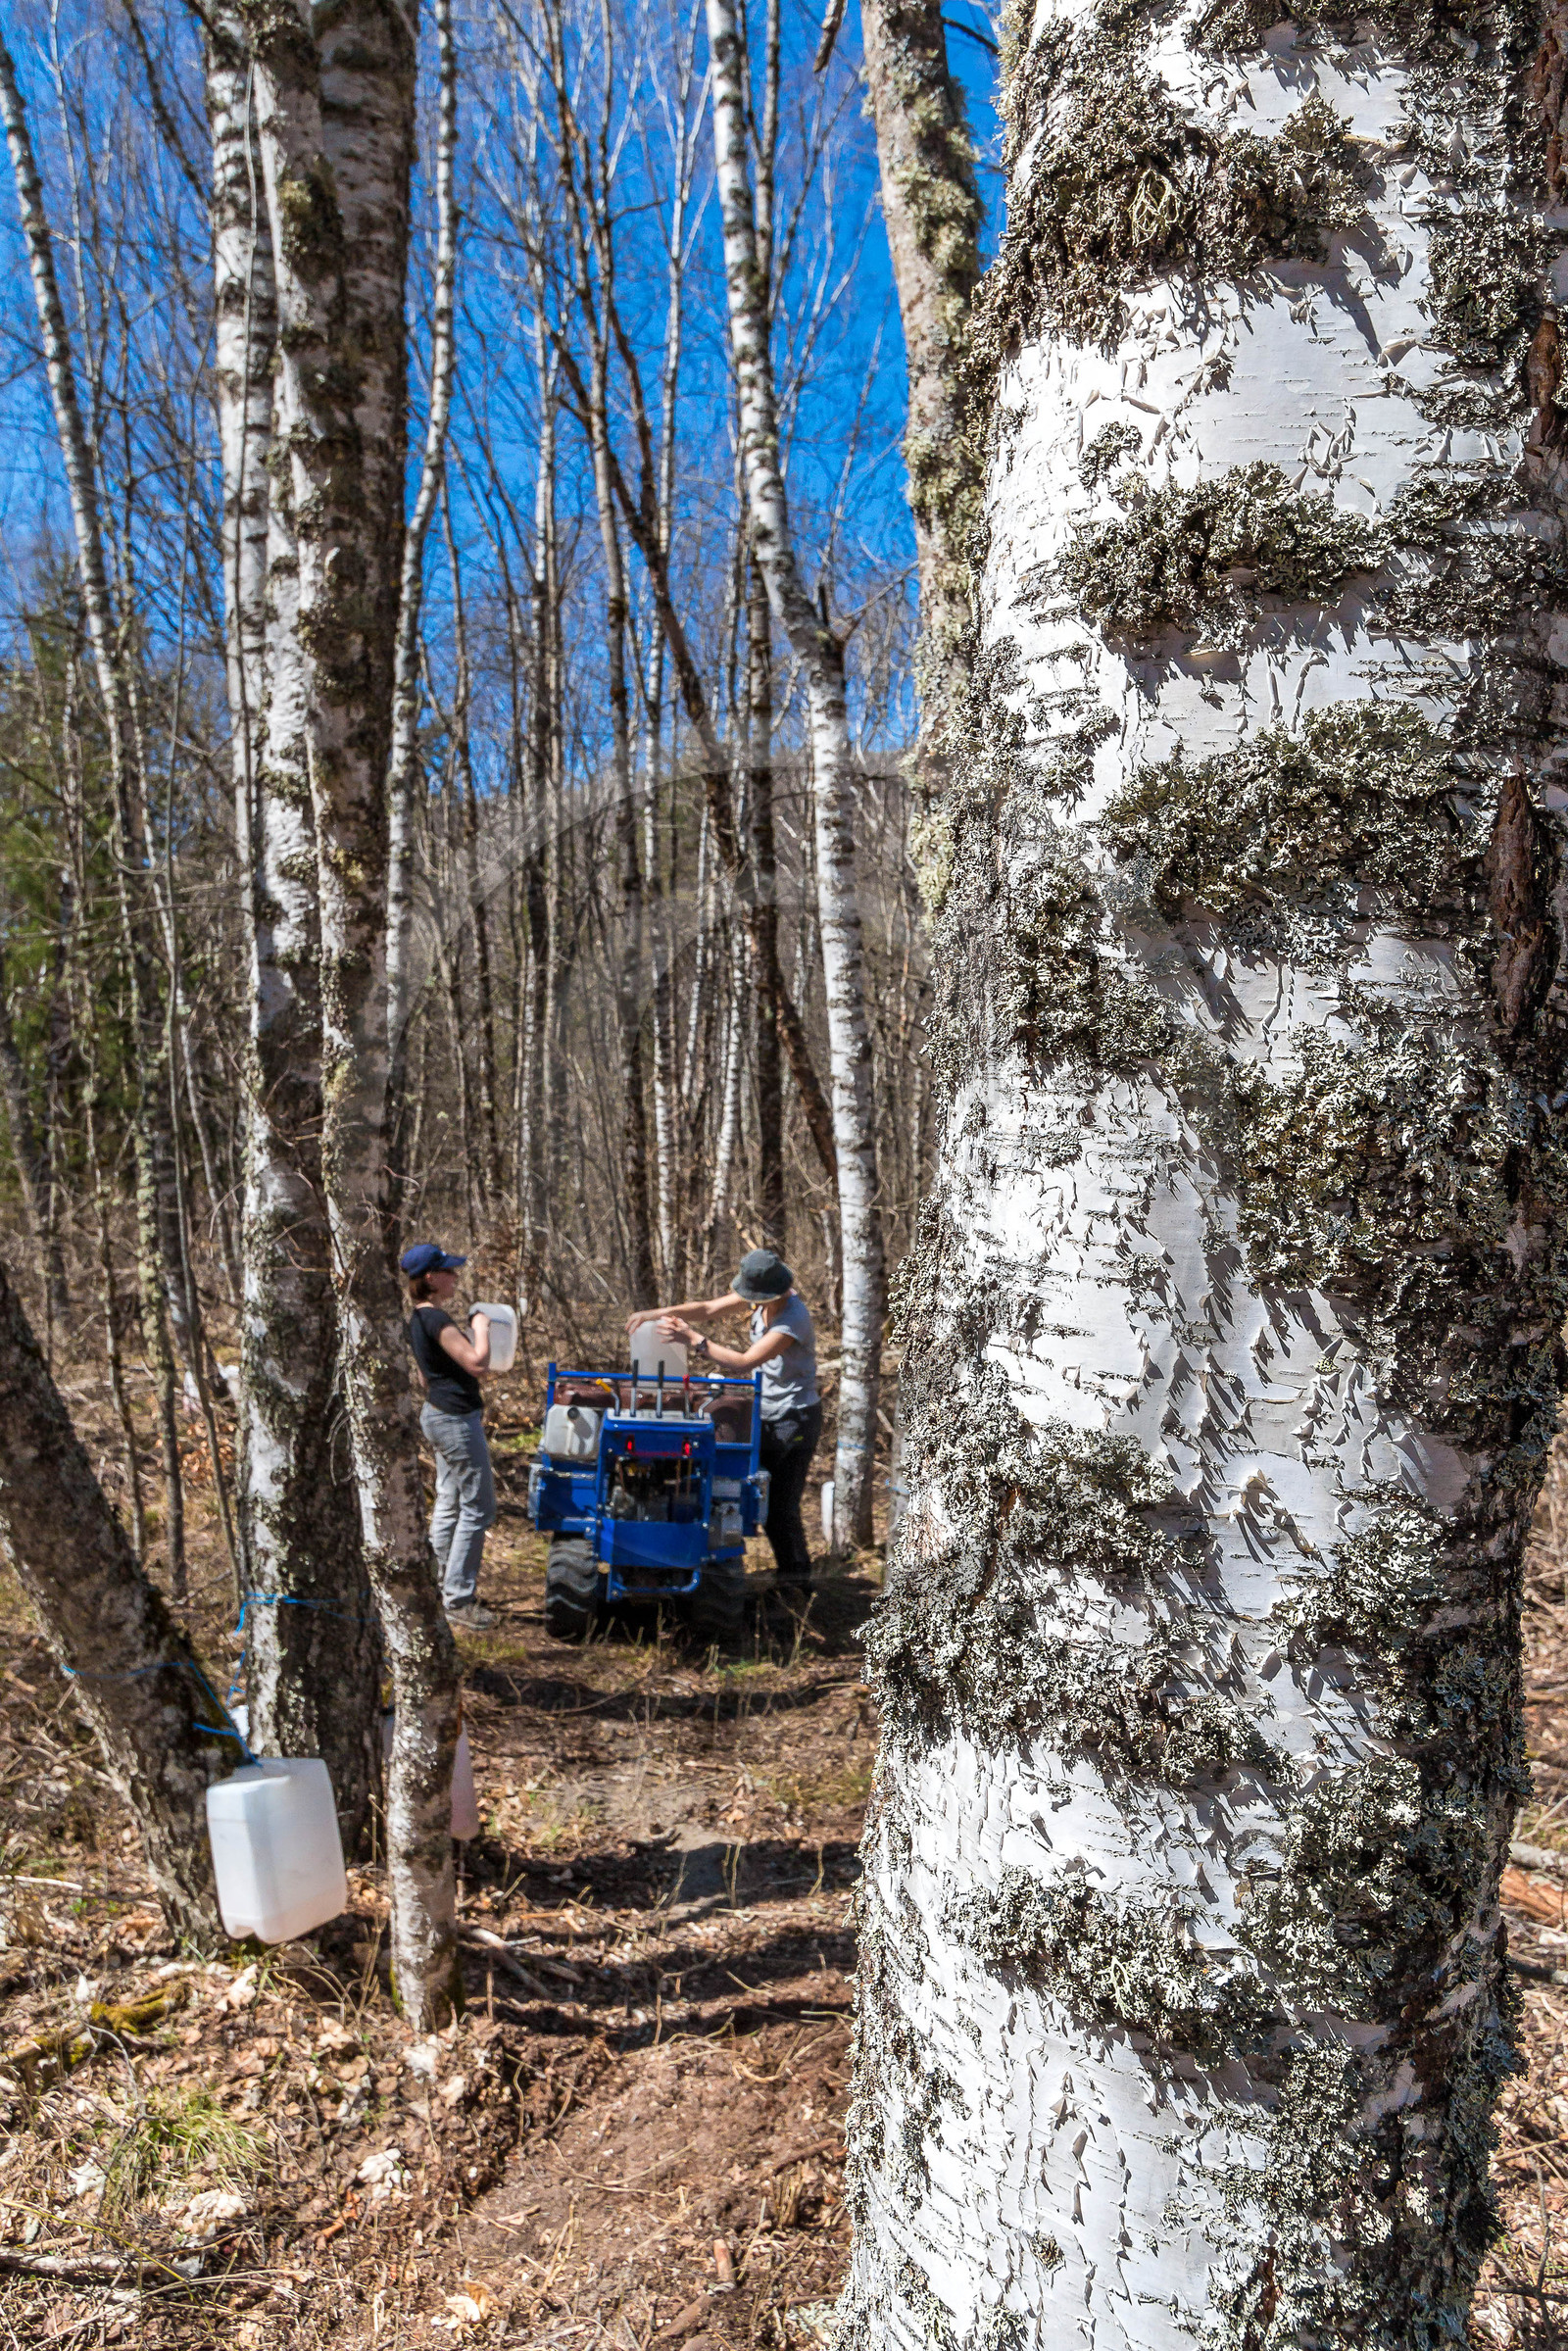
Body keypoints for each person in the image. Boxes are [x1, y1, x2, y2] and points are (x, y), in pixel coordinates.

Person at [629, 1249, 819, 1589]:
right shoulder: (760, 1301)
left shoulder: (793, 1318)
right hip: (765, 1412)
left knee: (780, 1508)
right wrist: (655, 1314)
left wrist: (693, 1340)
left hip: (794, 1418)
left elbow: (745, 1361)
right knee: (741, 1490)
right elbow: (707, 1309)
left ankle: (796, 1585)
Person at [402, 1242, 498, 1631]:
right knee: (479, 1507)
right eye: (448, 1271)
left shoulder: (417, 1320)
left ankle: (436, 1583)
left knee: (450, 1500)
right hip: (455, 1420)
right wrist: (481, 1327)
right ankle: (457, 1598)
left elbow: (425, 1376)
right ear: (430, 1278)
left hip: (438, 1414)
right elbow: (477, 1362)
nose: (455, 1276)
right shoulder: (436, 1319)